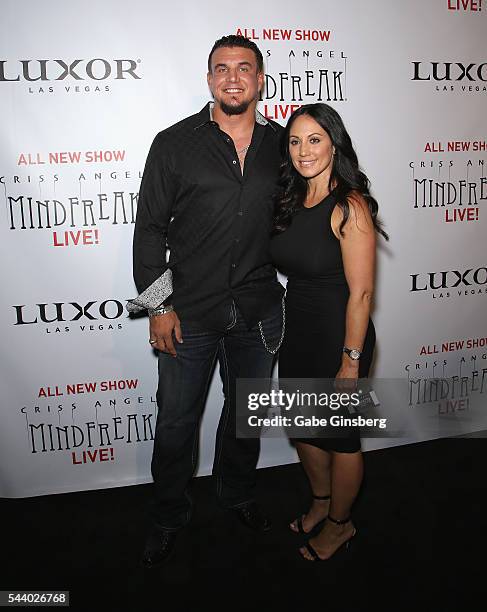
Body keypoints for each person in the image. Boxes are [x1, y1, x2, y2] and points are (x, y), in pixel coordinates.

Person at [130, 35, 284, 567]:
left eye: (245, 68)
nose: (233, 78)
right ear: (209, 79)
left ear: (261, 79)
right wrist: (157, 306)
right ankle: (168, 516)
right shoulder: (174, 143)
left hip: (259, 312)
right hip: (188, 312)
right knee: (175, 423)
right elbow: (148, 230)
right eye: (222, 69)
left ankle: (237, 495)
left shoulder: (285, 146)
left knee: (246, 418)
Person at [270, 103, 388, 561]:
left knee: (341, 439)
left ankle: (341, 525)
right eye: (295, 141)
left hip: (341, 339)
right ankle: (322, 503)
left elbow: (361, 295)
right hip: (297, 331)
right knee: (303, 429)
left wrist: (349, 360)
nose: (303, 150)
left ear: (334, 144)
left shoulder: (350, 206)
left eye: (314, 139)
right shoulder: (291, 198)